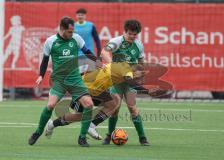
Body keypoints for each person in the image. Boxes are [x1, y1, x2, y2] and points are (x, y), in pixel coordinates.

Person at [28, 17, 96, 147]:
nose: (72, 34)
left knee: (88, 104)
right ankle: (38, 132)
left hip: (75, 79)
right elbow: (45, 60)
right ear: (62, 29)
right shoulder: (50, 41)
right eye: (69, 31)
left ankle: (82, 138)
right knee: (50, 105)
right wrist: (41, 75)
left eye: (72, 31)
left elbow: (87, 52)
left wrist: (97, 61)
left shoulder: (76, 39)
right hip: (59, 80)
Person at [44, 62, 146, 140]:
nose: (139, 78)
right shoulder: (127, 70)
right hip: (84, 88)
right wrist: (148, 91)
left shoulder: (123, 68)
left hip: (96, 90)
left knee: (114, 103)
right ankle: (52, 124)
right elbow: (131, 82)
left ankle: (91, 126)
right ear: (135, 70)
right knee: (81, 116)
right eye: (140, 75)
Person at [100, 19, 150, 146]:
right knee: (115, 108)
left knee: (132, 108)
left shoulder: (138, 45)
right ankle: (108, 136)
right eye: (130, 34)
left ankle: (142, 138)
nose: (132, 36)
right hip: (116, 81)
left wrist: (140, 72)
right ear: (125, 32)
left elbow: (141, 63)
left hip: (129, 82)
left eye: (135, 34)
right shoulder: (116, 41)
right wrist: (113, 67)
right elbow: (104, 52)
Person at [74, 8, 101, 72]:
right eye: (79, 15)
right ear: (76, 16)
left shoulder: (91, 26)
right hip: (77, 55)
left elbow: (97, 41)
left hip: (89, 55)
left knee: (91, 76)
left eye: (82, 15)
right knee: (79, 76)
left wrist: (99, 56)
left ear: (85, 16)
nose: (80, 16)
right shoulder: (72, 26)